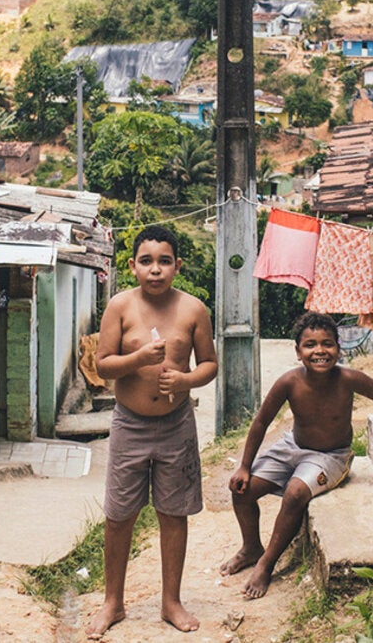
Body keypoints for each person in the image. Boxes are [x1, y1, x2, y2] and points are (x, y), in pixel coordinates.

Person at [220, 311, 373, 599]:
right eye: (310, 345)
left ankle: (266, 563)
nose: (319, 351)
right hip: (292, 447)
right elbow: (260, 422)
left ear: (338, 348)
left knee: (295, 493)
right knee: (241, 489)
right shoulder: (289, 382)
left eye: (327, 344)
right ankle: (251, 547)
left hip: (332, 456)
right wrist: (244, 466)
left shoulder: (348, 378)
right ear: (298, 352)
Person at [88, 225, 218, 638]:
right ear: (132, 266)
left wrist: (185, 381)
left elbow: (209, 364)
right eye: (146, 261)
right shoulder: (120, 307)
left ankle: (170, 602)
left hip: (176, 425)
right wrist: (139, 357)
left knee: (173, 513)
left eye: (164, 261)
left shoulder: (193, 309)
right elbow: (102, 364)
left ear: (177, 266)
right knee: (119, 515)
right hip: (130, 424)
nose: (155, 270)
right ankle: (114, 602)